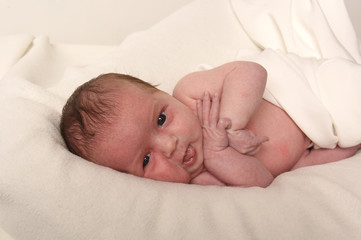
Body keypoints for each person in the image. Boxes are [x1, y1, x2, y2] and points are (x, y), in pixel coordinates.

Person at [60, 61, 361, 187]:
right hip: (307, 149)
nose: (170, 145)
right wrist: (220, 154)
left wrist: (230, 126)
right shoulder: (200, 182)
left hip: (303, 89)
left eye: (162, 119)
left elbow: (251, 72)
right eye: (146, 159)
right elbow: (263, 181)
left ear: (164, 94)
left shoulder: (191, 94)